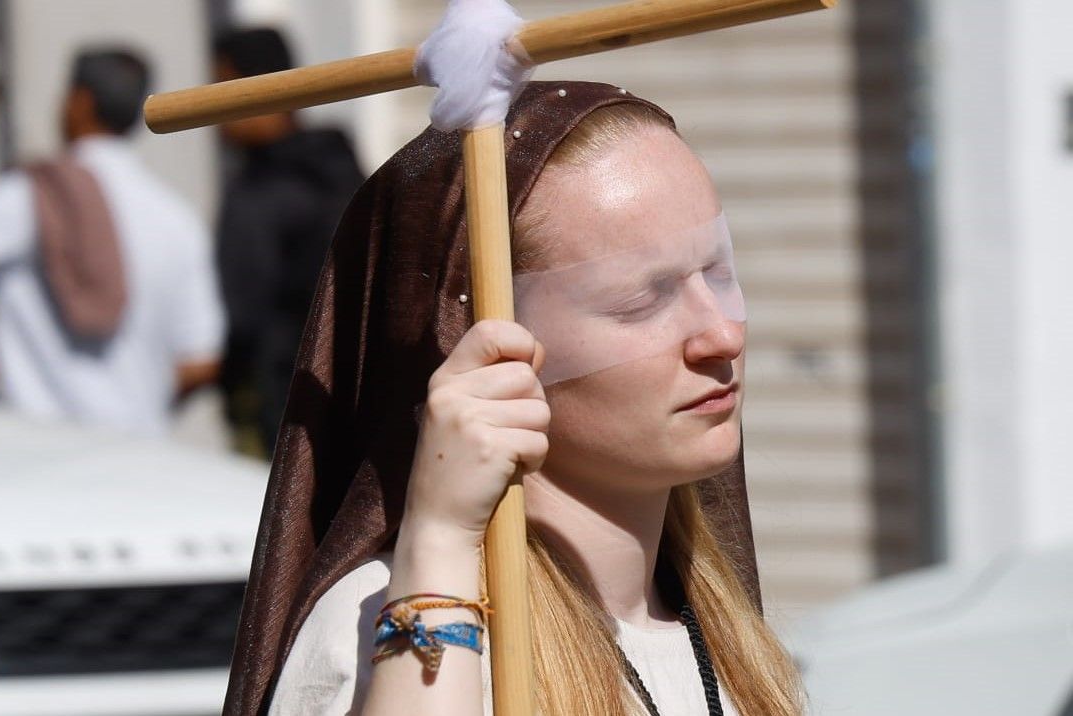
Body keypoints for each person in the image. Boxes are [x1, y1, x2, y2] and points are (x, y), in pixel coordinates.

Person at [223, 82, 804, 715]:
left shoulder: (722, 641)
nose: (720, 334)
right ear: (485, 345)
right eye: (643, 300)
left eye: (718, 274)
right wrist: (440, 543)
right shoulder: (379, 631)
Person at [0, 48, 224, 435]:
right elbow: (200, 359)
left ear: (79, 100)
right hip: (138, 456)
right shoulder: (177, 220)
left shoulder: (26, 197)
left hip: (35, 453)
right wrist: (137, 400)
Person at [212, 27, 365, 456]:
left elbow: (246, 312)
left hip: (284, 406)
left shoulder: (262, 191)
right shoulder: (342, 169)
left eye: (220, 88)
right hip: (356, 397)